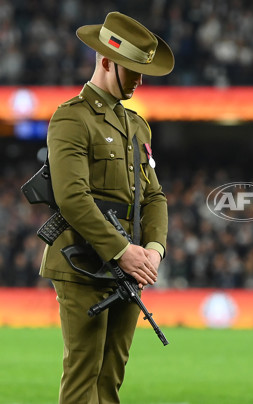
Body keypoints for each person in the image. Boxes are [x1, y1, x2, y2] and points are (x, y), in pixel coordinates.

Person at [41, 12, 173, 403]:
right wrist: (122, 250)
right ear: (106, 61)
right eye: (132, 69)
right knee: (84, 377)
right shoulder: (70, 118)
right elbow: (71, 197)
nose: (139, 79)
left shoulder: (138, 125)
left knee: (110, 379)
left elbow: (155, 197)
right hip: (81, 261)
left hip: (128, 266)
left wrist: (153, 250)